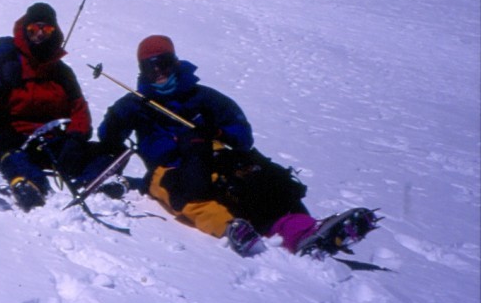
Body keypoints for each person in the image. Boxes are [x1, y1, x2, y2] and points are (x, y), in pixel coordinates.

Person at [89, 34, 378, 256]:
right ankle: (232, 229)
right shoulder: (137, 104)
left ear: (175, 62)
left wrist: (216, 131)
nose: (159, 73)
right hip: (168, 167)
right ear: (142, 71)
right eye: (150, 68)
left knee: (259, 183)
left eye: (163, 64)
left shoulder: (204, 97)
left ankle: (305, 232)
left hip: (215, 158)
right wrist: (116, 119)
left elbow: (242, 134)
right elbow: (108, 137)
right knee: (186, 197)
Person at [0, 3, 94, 211]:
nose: (40, 35)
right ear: (25, 30)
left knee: (96, 153)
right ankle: (29, 185)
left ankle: (99, 180)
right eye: (33, 29)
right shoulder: (7, 63)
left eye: (47, 29)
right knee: (12, 157)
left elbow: (78, 107)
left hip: (51, 139)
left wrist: (76, 138)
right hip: (14, 136)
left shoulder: (61, 72)